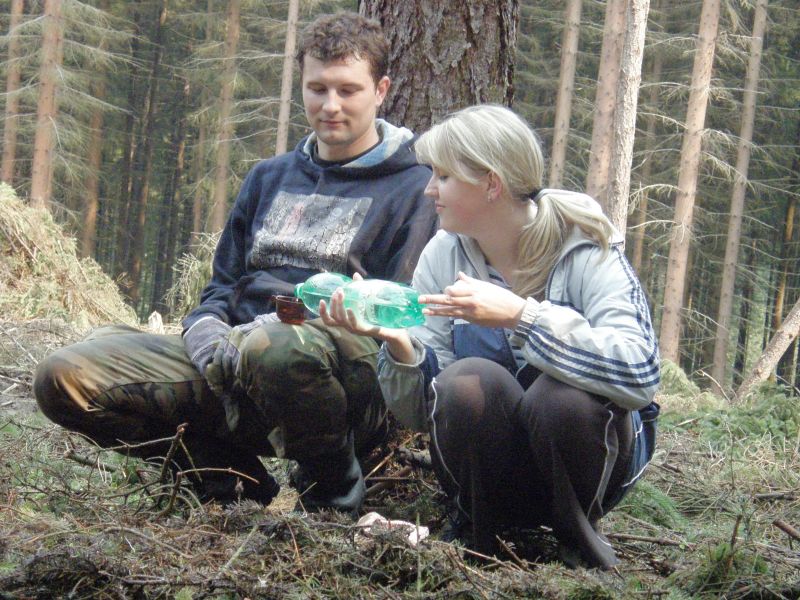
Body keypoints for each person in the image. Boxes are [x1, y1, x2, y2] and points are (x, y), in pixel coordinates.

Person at [33, 12, 437, 517]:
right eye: (317, 89)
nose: (330, 105)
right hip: (234, 361)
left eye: (347, 90)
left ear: (381, 91)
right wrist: (206, 331)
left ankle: (331, 501)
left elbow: (398, 313)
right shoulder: (269, 177)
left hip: (341, 377)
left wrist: (267, 331)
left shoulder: (415, 187)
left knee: (276, 349)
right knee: (64, 377)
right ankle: (230, 483)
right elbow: (222, 286)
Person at [321, 104, 660, 568]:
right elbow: (425, 413)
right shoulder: (443, 255)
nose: (429, 189)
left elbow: (641, 373)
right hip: (495, 475)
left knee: (560, 397)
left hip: (593, 466)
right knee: (468, 380)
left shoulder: (586, 248)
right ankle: (481, 538)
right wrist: (399, 343)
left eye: (443, 176)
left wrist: (523, 317)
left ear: (491, 184)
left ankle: (580, 546)